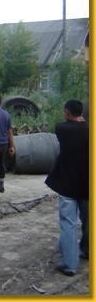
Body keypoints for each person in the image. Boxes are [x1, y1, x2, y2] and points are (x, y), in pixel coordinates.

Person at [45, 99, 89, 276]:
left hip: (67, 184)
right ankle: (87, 250)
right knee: (88, 221)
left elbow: (66, 126)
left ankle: (70, 264)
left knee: (68, 224)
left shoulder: (61, 129)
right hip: (88, 184)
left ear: (67, 113)